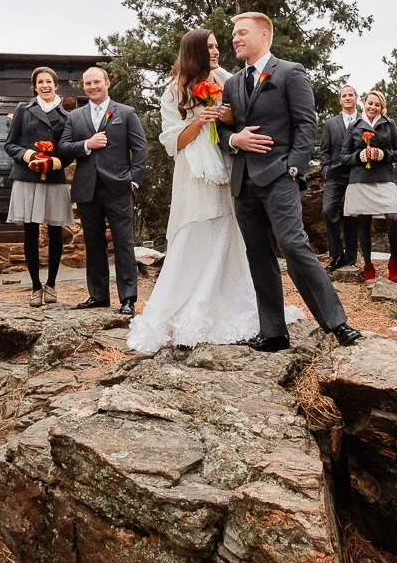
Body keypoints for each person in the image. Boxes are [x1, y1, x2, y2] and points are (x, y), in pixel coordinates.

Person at [128, 29, 302, 353]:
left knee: (229, 228)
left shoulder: (226, 78)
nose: (216, 51)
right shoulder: (172, 92)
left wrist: (227, 116)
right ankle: (188, 307)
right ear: (194, 51)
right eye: (210, 47)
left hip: (226, 163)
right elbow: (173, 143)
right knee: (195, 229)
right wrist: (200, 119)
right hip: (193, 173)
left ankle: (232, 304)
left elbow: (241, 117)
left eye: (217, 46)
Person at [218, 11, 361, 352]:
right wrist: (234, 139)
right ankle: (274, 332)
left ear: (263, 34)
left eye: (242, 33)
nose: (235, 39)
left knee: (295, 246)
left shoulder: (290, 72)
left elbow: (306, 126)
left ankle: (336, 323)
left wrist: (292, 169)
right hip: (243, 183)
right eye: (234, 34)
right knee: (258, 255)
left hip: (279, 177)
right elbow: (221, 129)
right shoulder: (232, 84)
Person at [58, 67, 147, 315]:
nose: (92, 86)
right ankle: (98, 295)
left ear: (107, 82)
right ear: (83, 87)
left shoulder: (126, 113)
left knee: (124, 244)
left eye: (96, 81)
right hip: (87, 189)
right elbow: (63, 147)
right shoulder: (74, 117)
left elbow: (140, 150)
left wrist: (134, 180)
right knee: (93, 243)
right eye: (87, 83)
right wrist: (87, 144)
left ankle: (128, 298)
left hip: (119, 187)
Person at [4, 67, 73, 307]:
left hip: (53, 179)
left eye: (49, 82)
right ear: (34, 87)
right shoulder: (24, 110)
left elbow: (69, 151)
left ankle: (51, 285)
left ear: (56, 86)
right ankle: (35, 286)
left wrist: (55, 162)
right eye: (40, 82)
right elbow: (10, 145)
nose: (44, 85)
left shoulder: (67, 117)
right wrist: (30, 156)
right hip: (27, 177)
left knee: (55, 233)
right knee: (30, 233)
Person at [341, 90, 397, 281]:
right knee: (364, 221)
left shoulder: (389, 124)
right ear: (364, 103)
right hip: (360, 179)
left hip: (384, 177)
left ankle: (394, 260)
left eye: (377, 104)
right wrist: (358, 157)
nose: (372, 107)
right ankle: (368, 265)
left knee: (394, 217)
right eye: (370, 103)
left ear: (381, 107)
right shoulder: (354, 126)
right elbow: (344, 157)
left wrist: (384, 155)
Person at [319, 84, 360, 272]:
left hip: (356, 175)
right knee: (328, 211)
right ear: (340, 100)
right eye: (344, 95)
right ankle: (336, 255)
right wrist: (325, 170)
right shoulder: (330, 123)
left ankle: (351, 256)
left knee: (351, 215)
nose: (347, 98)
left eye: (351, 95)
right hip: (335, 175)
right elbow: (325, 150)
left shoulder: (363, 121)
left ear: (356, 98)